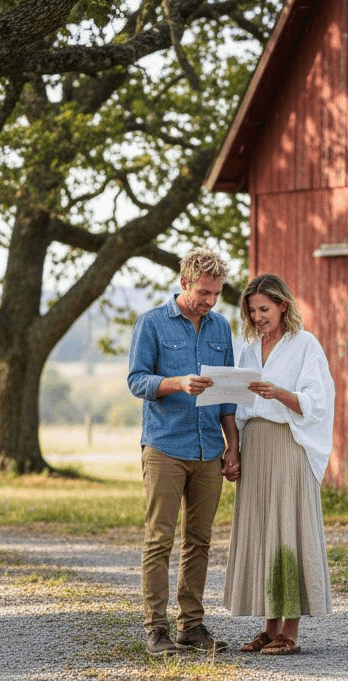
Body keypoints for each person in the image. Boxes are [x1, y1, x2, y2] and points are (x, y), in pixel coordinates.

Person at [127, 247, 239, 656]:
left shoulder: (221, 329)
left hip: (209, 448)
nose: (209, 301)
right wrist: (176, 383)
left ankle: (191, 627)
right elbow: (137, 381)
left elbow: (227, 394)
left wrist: (232, 446)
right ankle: (155, 630)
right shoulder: (152, 324)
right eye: (204, 292)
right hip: (165, 447)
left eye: (216, 293)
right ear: (184, 283)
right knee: (159, 539)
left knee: (200, 540)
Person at [224, 273, 335, 656]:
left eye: (264, 309)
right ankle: (269, 628)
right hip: (254, 445)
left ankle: (290, 630)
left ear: (283, 306)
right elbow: (236, 406)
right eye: (252, 310)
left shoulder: (305, 345)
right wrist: (233, 450)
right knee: (262, 533)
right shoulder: (249, 348)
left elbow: (316, 402)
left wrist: (279, 393)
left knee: (287, 532)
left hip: (288, 445)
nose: (258, 317)